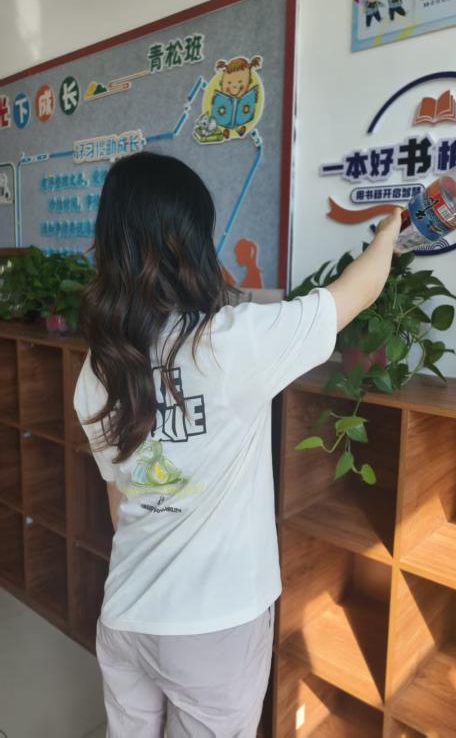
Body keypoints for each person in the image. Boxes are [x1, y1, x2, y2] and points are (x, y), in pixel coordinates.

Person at [73, 150, 400, 738]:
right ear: (191, 241)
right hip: (214, 628)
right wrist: (390, 233)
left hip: (126, 614)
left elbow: (119, 503)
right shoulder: (231, 342)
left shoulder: (97, 369)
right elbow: (357, 291)